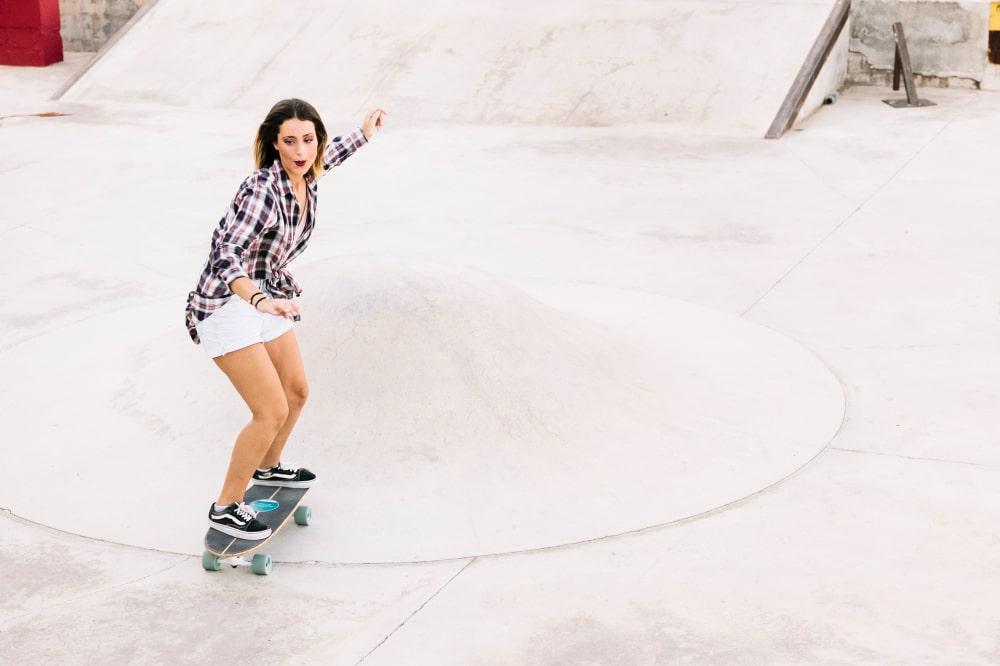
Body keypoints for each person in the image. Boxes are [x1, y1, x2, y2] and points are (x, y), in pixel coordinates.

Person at [184, 98, 386, 539]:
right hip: (226, 304)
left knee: (296, 392)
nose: (301, 150)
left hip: (268, 297)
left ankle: (269, 467)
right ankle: (226, 505)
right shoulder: (261, 190)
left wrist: (365, 134)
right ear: (274, 145)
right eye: (290, 141)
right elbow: (225, 254)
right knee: (269, 409)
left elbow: (328, 158)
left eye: (308, 140)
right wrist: (257, 300)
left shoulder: (307, 173)